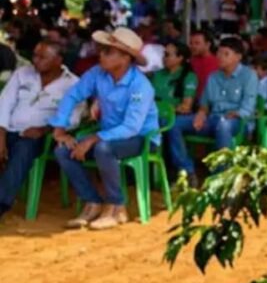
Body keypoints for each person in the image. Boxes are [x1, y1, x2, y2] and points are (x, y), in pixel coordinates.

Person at [50, 28, 159, 230]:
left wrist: (92, 139)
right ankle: (92, 202)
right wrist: (59, 128)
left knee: (103, 149)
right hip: (108, 135)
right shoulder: (97, 74)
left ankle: (117, 207)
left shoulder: (141, 85)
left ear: (126, 58)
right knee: (62, 151)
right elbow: (73, 95)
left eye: (108, 51)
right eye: (102, 50)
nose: (101, 55)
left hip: (142, 138)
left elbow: (131, 127)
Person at [0, 41, 80, 218]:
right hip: (8, 130)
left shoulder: (73, 84)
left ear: (58, 60)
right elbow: (4, 104)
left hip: (42, 136)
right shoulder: (22, 74)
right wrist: (1, 136)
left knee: (24, 148)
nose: (35, 60)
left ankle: (2, 203)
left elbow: (73, 119)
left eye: (42, 57)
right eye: (35, 55)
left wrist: (44, 129)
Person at [166, 37, 257, 181]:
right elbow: (204, 104)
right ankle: (186, 170)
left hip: (238, 122)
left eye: (226, 54)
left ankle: (220, 177)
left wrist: (234, 113)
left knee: (224, 124)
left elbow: (248, 107)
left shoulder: (249, 75)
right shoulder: (213, 76)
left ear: (238, 57)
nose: (220, 57)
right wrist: (201, 113)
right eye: (219, 53)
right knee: (174, 123)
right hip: (213, 118)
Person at [151, 42, 198, 115]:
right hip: (153, 115)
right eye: (164, 54)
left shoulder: (189, 77)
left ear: (180, 58)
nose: (164, 58)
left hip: (174, 116)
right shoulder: (158, 74)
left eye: (167, 55)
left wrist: (166, 110)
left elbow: (186, 107)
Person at [188, 30, 219, 99]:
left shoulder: (218, 62)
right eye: (191, 43)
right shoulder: (190, 61)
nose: (193, 46)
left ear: (207, 44)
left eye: (197, 43)